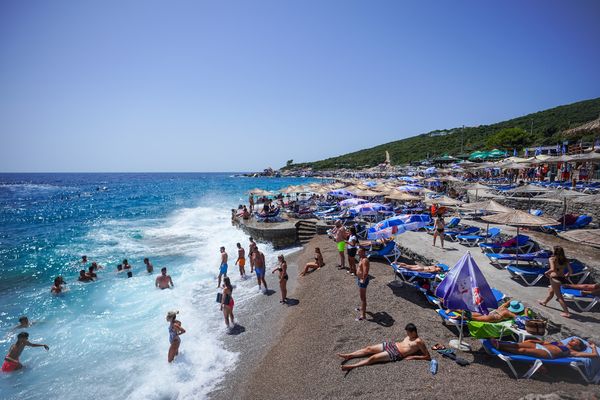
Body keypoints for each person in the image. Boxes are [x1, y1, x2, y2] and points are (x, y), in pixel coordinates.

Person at [337, 323, 430, 371]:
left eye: (408, 333)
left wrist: (414, 357)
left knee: (373, 358)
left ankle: (351, 366)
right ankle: (350, 355)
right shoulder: (409, 336)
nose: (407, 334)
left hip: (396, 353)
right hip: (392, 345)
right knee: (368, 348)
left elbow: (427, 356)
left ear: (413, 332)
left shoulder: (419, 342)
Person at [538, 246, 574, 318]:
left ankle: (567, 313)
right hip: (561, 278)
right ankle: (544, 302)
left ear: (554, 252)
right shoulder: (565, 260)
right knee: (551, 291)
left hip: (554, 278)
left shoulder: (552, 259)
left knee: (559, 297)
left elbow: (552, 269)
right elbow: (571, 271)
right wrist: (566, 275)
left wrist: (546, 272)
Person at [490, 337, 597, 359]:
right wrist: (534, 341)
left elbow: (594, 355)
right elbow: (545, 342)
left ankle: (500, 348)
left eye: (575, 341)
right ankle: (499, 343)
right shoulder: (560, 342)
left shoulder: (572, 352)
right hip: (540, 345)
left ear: (577, 347)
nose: (572, 340)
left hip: (547, 353)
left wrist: (593, 347)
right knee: (517, 345)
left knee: (523, 351)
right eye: (573, 339)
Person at [451, 300, 528, 323]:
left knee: (471, 315)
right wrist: (526, 312)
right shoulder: (509, 313)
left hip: (490, 312)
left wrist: (513, 301)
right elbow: (522, 319)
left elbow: (507, 302)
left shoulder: (503, 307)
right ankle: (456, 311)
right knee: (472, 317)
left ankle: (455, 310)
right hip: (493, 317)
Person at [356, 248, 370, 321]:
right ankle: (362, 308)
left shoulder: (365, 260)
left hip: (362, 280)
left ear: (364, 252)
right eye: (358, 251)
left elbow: (366, 272)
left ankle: (363, 315)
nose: (357, 252)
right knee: (362, 296)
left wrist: (363, 279)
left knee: (363, 298)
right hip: (359, 279)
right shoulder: (361, 258)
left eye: (359, 251)